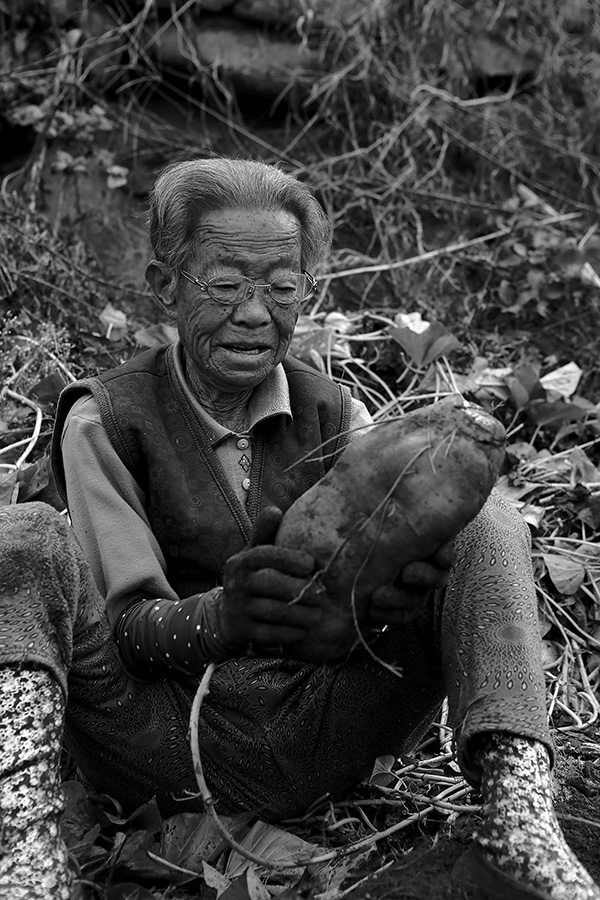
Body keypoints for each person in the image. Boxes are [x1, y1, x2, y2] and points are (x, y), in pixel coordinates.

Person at [0, 157, 598, 900]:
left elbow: (367, 583)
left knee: (489, 519)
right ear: (165, 286)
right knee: (20, 538)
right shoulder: (107, 419)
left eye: (282, 288)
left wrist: (375, 606)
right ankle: (20, 856)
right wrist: (221, 619)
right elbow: (123, 629)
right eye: (225, 284)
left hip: (321, 730)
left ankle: (520, 816)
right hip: (155, 741)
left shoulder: (337, 413)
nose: (256, 313)